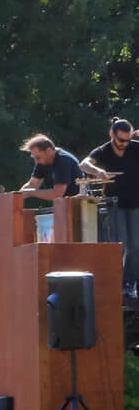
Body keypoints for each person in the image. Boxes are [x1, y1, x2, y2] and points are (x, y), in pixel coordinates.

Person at [85, 119, 139, 299]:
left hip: (136, 204)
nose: (124, 144)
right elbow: (83, 164)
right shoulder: (103, 151)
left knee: (136, 246)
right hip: (115, 204)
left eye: (127, 140)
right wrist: (97, 171)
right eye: (121, 140)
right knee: (120, 245)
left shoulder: (134, 147)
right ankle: (115, 282)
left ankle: (129, 284)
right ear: (112, 135)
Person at [19, 133, 101, 200]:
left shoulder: (63, 161)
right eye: (34, 157)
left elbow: (57, 193)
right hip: (65, 205)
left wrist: (31, 192)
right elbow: (32, 184)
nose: (36, 161)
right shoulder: (43, 160)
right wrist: (15, 197)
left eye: (37, 157)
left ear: (49, 151)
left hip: (83, 205)